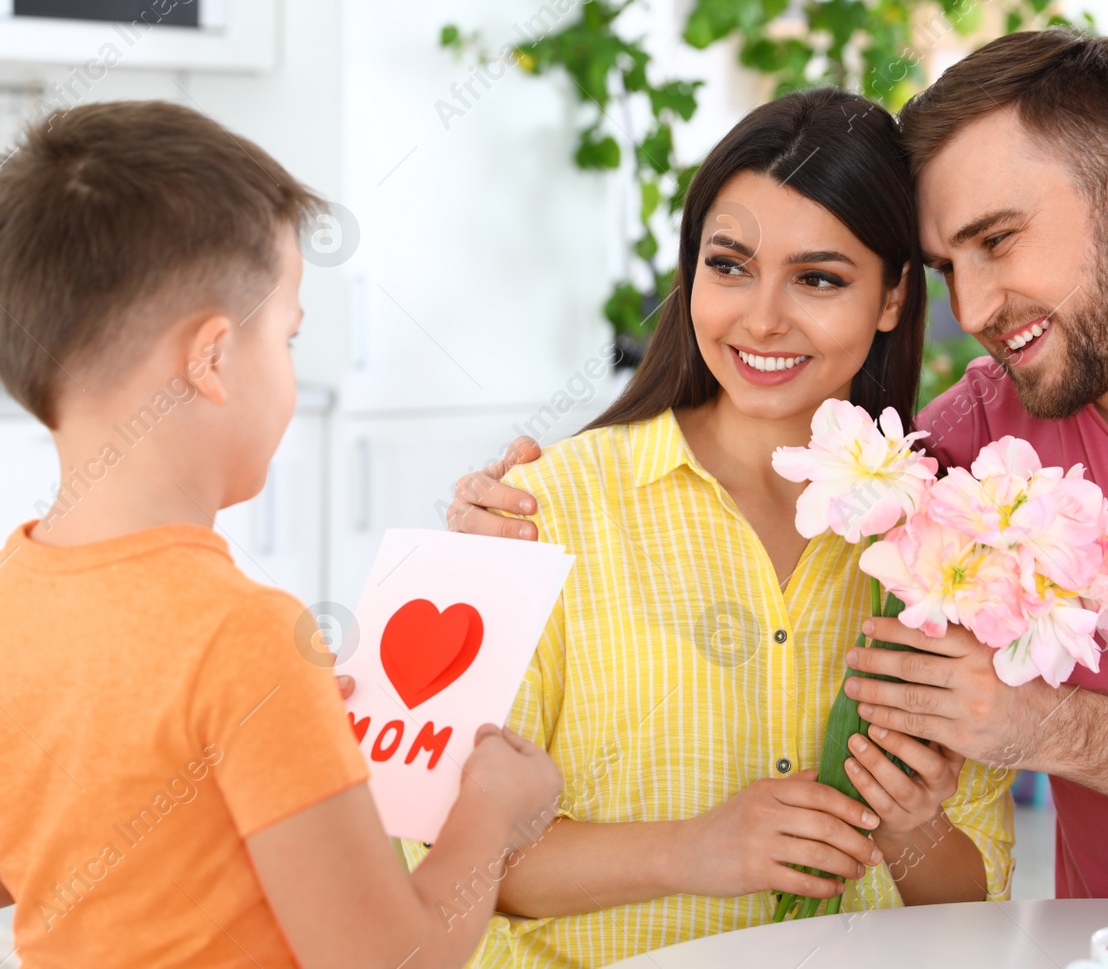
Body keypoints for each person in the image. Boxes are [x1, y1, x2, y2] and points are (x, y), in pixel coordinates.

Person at [452, 29, 1108, 907]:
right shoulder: (962, 459)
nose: (975, 309)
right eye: (950, 264)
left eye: (999, 238)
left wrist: (1052, 730)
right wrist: (485, 542)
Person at [0, 101, 562, 968]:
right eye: (290, 337)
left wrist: (284, 744)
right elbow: (392, 959)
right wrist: (491, 814)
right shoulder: (246, 638)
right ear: (213, 357)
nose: (293, 370)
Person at [411, 87, 1015, 969]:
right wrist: (693, 850)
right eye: (729, 265)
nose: (762, 317)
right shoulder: (543, 509)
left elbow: (981, 904)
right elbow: (447, 864)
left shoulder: (946, 547)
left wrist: (911, 825)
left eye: (818, 278)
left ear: (891, 298)